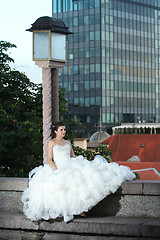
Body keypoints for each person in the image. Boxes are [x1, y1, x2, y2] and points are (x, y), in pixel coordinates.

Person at [21, 121, 136, 223]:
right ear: (55, 131)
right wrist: (56, 170)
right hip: (59, 167)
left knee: (83, 181)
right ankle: (70, 210)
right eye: (61, 130)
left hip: (71, 165)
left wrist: (80, 164)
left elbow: (73, 156)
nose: (63, 132)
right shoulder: (51, 143)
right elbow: (50, 160)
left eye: (64, 129)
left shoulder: (68, 143)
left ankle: (79, 209)